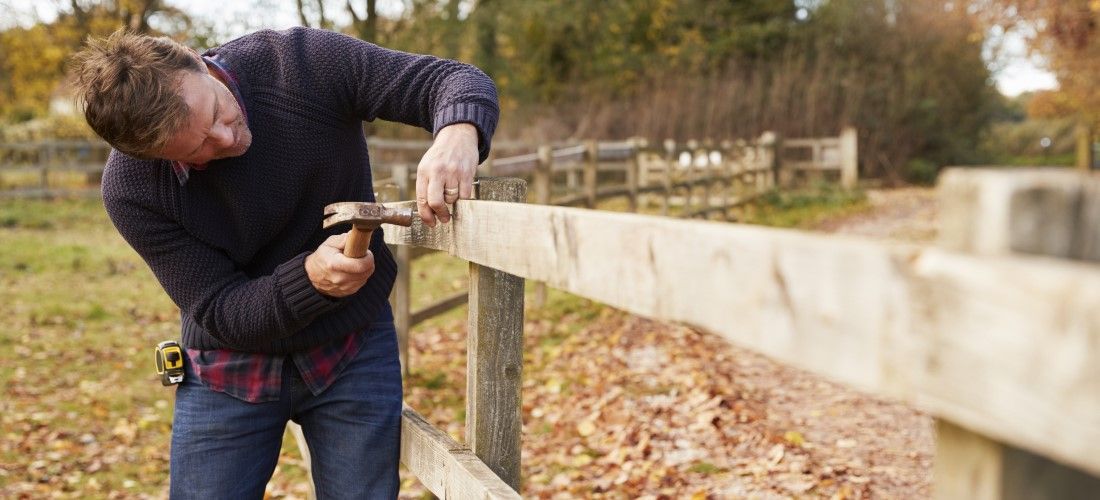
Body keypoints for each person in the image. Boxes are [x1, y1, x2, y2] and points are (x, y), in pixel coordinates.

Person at [70, 26, 498, 498]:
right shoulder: (131, 189)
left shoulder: (301, 62)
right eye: (197, 152)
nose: (226, 137)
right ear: (147, 156)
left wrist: (458, 134)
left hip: (351, 346)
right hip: (227, 364)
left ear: (195, 59)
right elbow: (219, 309)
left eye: (216, 109)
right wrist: (309, 279)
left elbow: (453, 80)